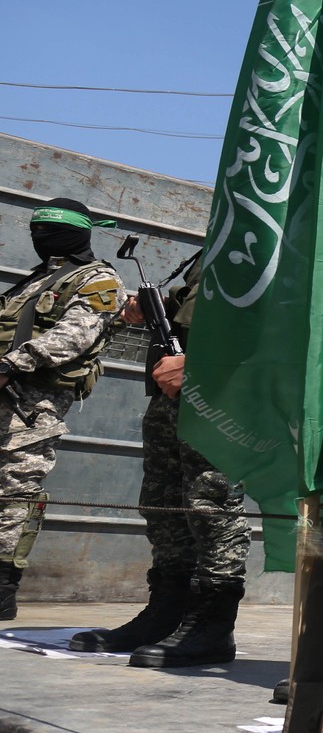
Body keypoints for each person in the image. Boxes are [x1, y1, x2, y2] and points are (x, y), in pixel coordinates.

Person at [68, 252, 253, 668]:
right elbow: (198, 302)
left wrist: (202, 364)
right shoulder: (217, 239)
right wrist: (157, 307)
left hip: (222, 386)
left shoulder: (274, 230)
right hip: (173, 386)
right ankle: (166, 614)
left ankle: (211, 626)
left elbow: (279, 319)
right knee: (161, 502)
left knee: (211, 503)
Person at [0, 199, 125, 622]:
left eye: (49, 232)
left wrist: (10, 366)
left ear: (77, 234)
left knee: (16, 489)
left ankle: (3, 588)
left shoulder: (99, 280)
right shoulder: (38, 278)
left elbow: (73, 337)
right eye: (35, 231)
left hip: (33, 403)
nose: (40, 238)